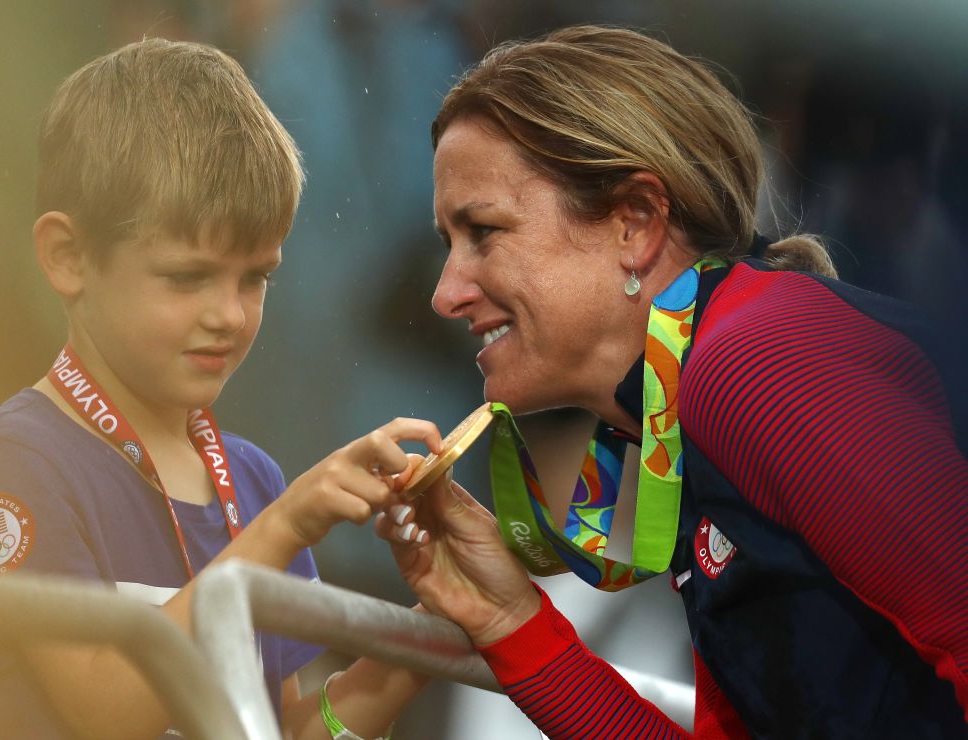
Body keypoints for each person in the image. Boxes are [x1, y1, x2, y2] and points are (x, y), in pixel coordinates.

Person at [377, 25, 968, 738]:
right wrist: (508, 618)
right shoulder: (695, 404)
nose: (446, 293)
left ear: (635, 223)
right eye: (448, 245)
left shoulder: (753, 364)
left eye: (485, 232)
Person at [0, 38, 442, 740]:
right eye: (186, 277)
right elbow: (106, 711)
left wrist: (423, 642)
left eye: (255, 277)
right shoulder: (18, 461)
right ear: (68, 259)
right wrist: (283, 528)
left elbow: (277, 730)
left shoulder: (253, 478)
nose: (227, 313)